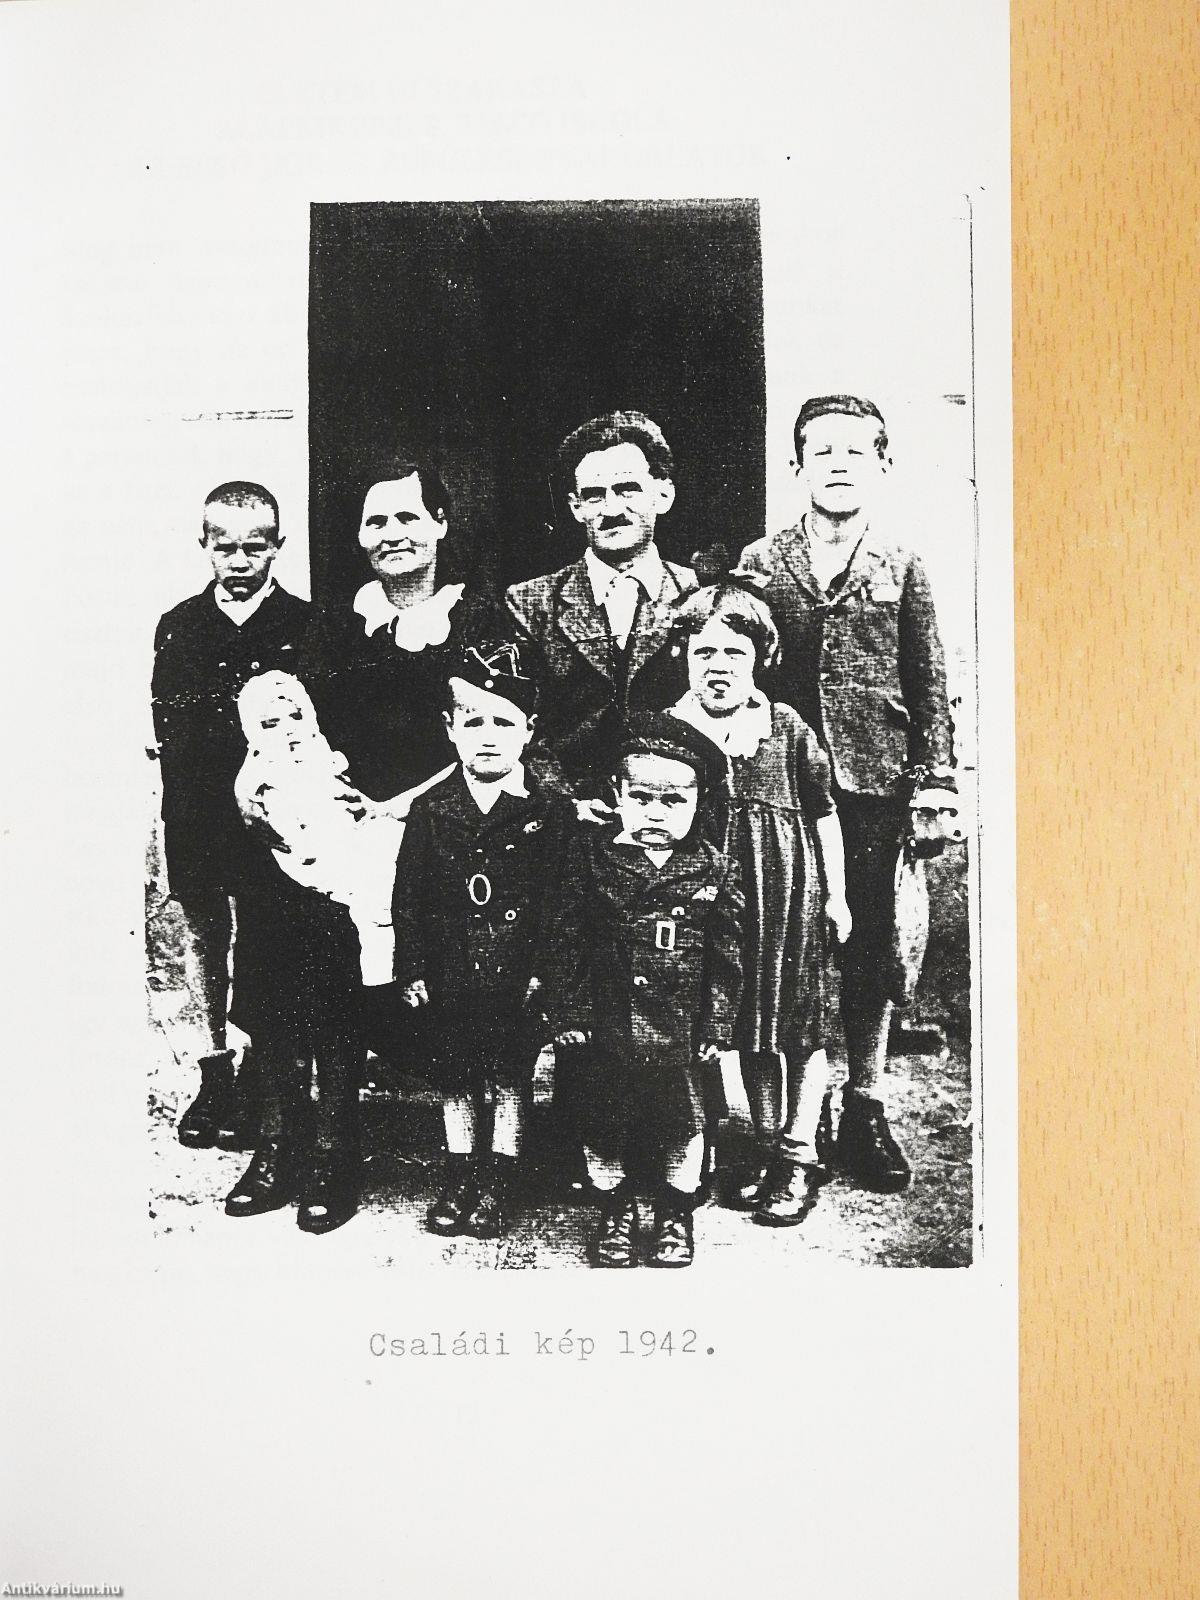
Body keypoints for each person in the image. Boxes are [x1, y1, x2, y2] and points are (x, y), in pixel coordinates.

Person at [734, 395, 956, 1193]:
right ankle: (793, 1115)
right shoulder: (763, 562)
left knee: (869, 951)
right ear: (796, 466)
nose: (837, 464)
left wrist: (935, 784)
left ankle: (864, 1103)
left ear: (882, 466)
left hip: (873, 785)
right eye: (820, 451)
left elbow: (927, 683)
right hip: (784, 786)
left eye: (854, 451)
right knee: (785, 947)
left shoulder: (903, 565)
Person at [667, 585, 850, 1226]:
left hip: (787, 896)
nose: (718, 667)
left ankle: (798, 1153)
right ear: (682, 654)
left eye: (734, 654)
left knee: (798, 1025)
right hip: (710, 903)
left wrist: (838, 896)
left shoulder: (785, 727)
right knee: (741, 1026)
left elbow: (824, 815)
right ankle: (756, 1145)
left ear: (760, 658)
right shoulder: (670, 729)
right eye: (704, 652)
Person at [391, 645, 579, 1240]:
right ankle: (459, 1172)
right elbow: (408, 895)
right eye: (473, 722)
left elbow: (562, 900)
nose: (489, 736)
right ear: (450, 730)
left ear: (529, 730)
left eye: (503, 722)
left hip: (516, 971)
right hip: (453, 968)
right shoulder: (431, 808)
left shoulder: (548, 810)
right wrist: (413, 967)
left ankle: (500, 1175)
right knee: (456, 1072)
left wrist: (545, 970)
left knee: (508, 1072)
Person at [150, 480, 311, 1150]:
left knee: (269, 938)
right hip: (198, 810)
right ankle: (214, 1072)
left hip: (274, 816)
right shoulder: (180, 625)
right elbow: (170, 726)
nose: (240, 561)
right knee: (204, 935)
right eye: (226, 547)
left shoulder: (304, 624)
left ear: (278, 546)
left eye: (255, 547)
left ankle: (259, 1073)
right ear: (204, 545)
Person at [566, 715, 743, 1269]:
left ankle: (674, 1211)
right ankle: (614, 1210)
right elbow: (567, 941)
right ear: (617, 796)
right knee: (604, 1121)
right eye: (641, 798)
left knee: (683, 1123)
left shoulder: (712, 867)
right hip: (609, 1023)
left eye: (673, 801)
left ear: (697, 803)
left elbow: (728, 957)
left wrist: (717, 1025)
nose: (656, 813)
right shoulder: (593, 860)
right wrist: (572, 1013)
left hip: (680, 1029)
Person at [223, 674, 366, 1234]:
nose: (287, 730)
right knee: (271, 1016)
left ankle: (335, 1154)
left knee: (334, 1021)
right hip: (271, 896)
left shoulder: (336, 765)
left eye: (296, 717)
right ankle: (280, 1145)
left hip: (337, 905)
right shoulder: (252, 780)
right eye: (270, 723)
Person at [505, 411, 698, 804]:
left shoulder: (699, 596)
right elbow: (518, 728)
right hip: (562, 816)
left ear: (663, 494)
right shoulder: (528, 603)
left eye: (628, 490)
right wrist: (568, 805)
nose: (611, 510)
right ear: (575, 507)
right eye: (594, 495)